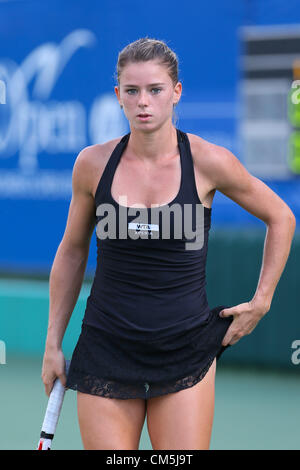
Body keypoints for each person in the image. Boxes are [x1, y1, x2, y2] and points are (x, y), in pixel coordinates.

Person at [41, 37, 296, 450]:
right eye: (132, 90)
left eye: (155, 90)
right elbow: (72, 250)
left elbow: (281, 217)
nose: (144, 102)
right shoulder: (91, 164)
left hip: (186, 350)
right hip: (106, 346)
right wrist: (53, 343)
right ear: (117, 96)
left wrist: (262, 301)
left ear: (176, 93)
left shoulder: (209, 161)